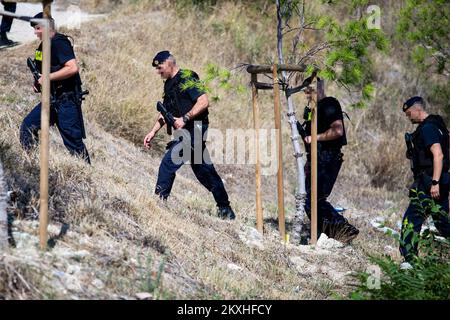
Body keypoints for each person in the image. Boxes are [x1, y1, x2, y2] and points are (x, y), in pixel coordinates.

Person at [144, 51, 235, 219]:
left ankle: (158, 203)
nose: (158, 72)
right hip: (185, 132)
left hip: (196, 129)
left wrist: (184, 118)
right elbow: (166, 112)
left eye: (160, 67)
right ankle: (226, 210)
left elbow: (203, 101)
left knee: (168, 162)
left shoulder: (188, 77)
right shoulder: (168, 84)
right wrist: (153, 131)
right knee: (204, 172)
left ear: (169, 63)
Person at [20, 12, 90, 164]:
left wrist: (47, 78)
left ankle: (86, 176)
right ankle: (31, 166)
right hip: (51, 99)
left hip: (67, 101)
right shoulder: (42, 47)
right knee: (27, 127)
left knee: (74, 144)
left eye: (38, 28)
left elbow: (72, 68)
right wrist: (38, 83)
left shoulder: (59, 43)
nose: (35, 32)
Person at [301, 79, 359, 242]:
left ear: (319, 88)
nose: (306, 94)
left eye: (309, 90)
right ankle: (327, 234)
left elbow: (338, 130)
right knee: (310, 200)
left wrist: (315, 138)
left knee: (314, 200)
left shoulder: (329, 104)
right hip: (316, 158)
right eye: (305, 91)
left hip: (327, 158)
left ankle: (342, 231)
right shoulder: (315, 109)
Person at [400, 96, 450, 264]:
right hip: (440, 180)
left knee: (411, 219)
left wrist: (434, 183)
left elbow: (438, 154)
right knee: (442, 222)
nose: (409, 117)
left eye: (409, 114)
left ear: (417, 109)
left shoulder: (428, 128)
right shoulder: (438, 126)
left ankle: (409, 260)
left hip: (430, 182)